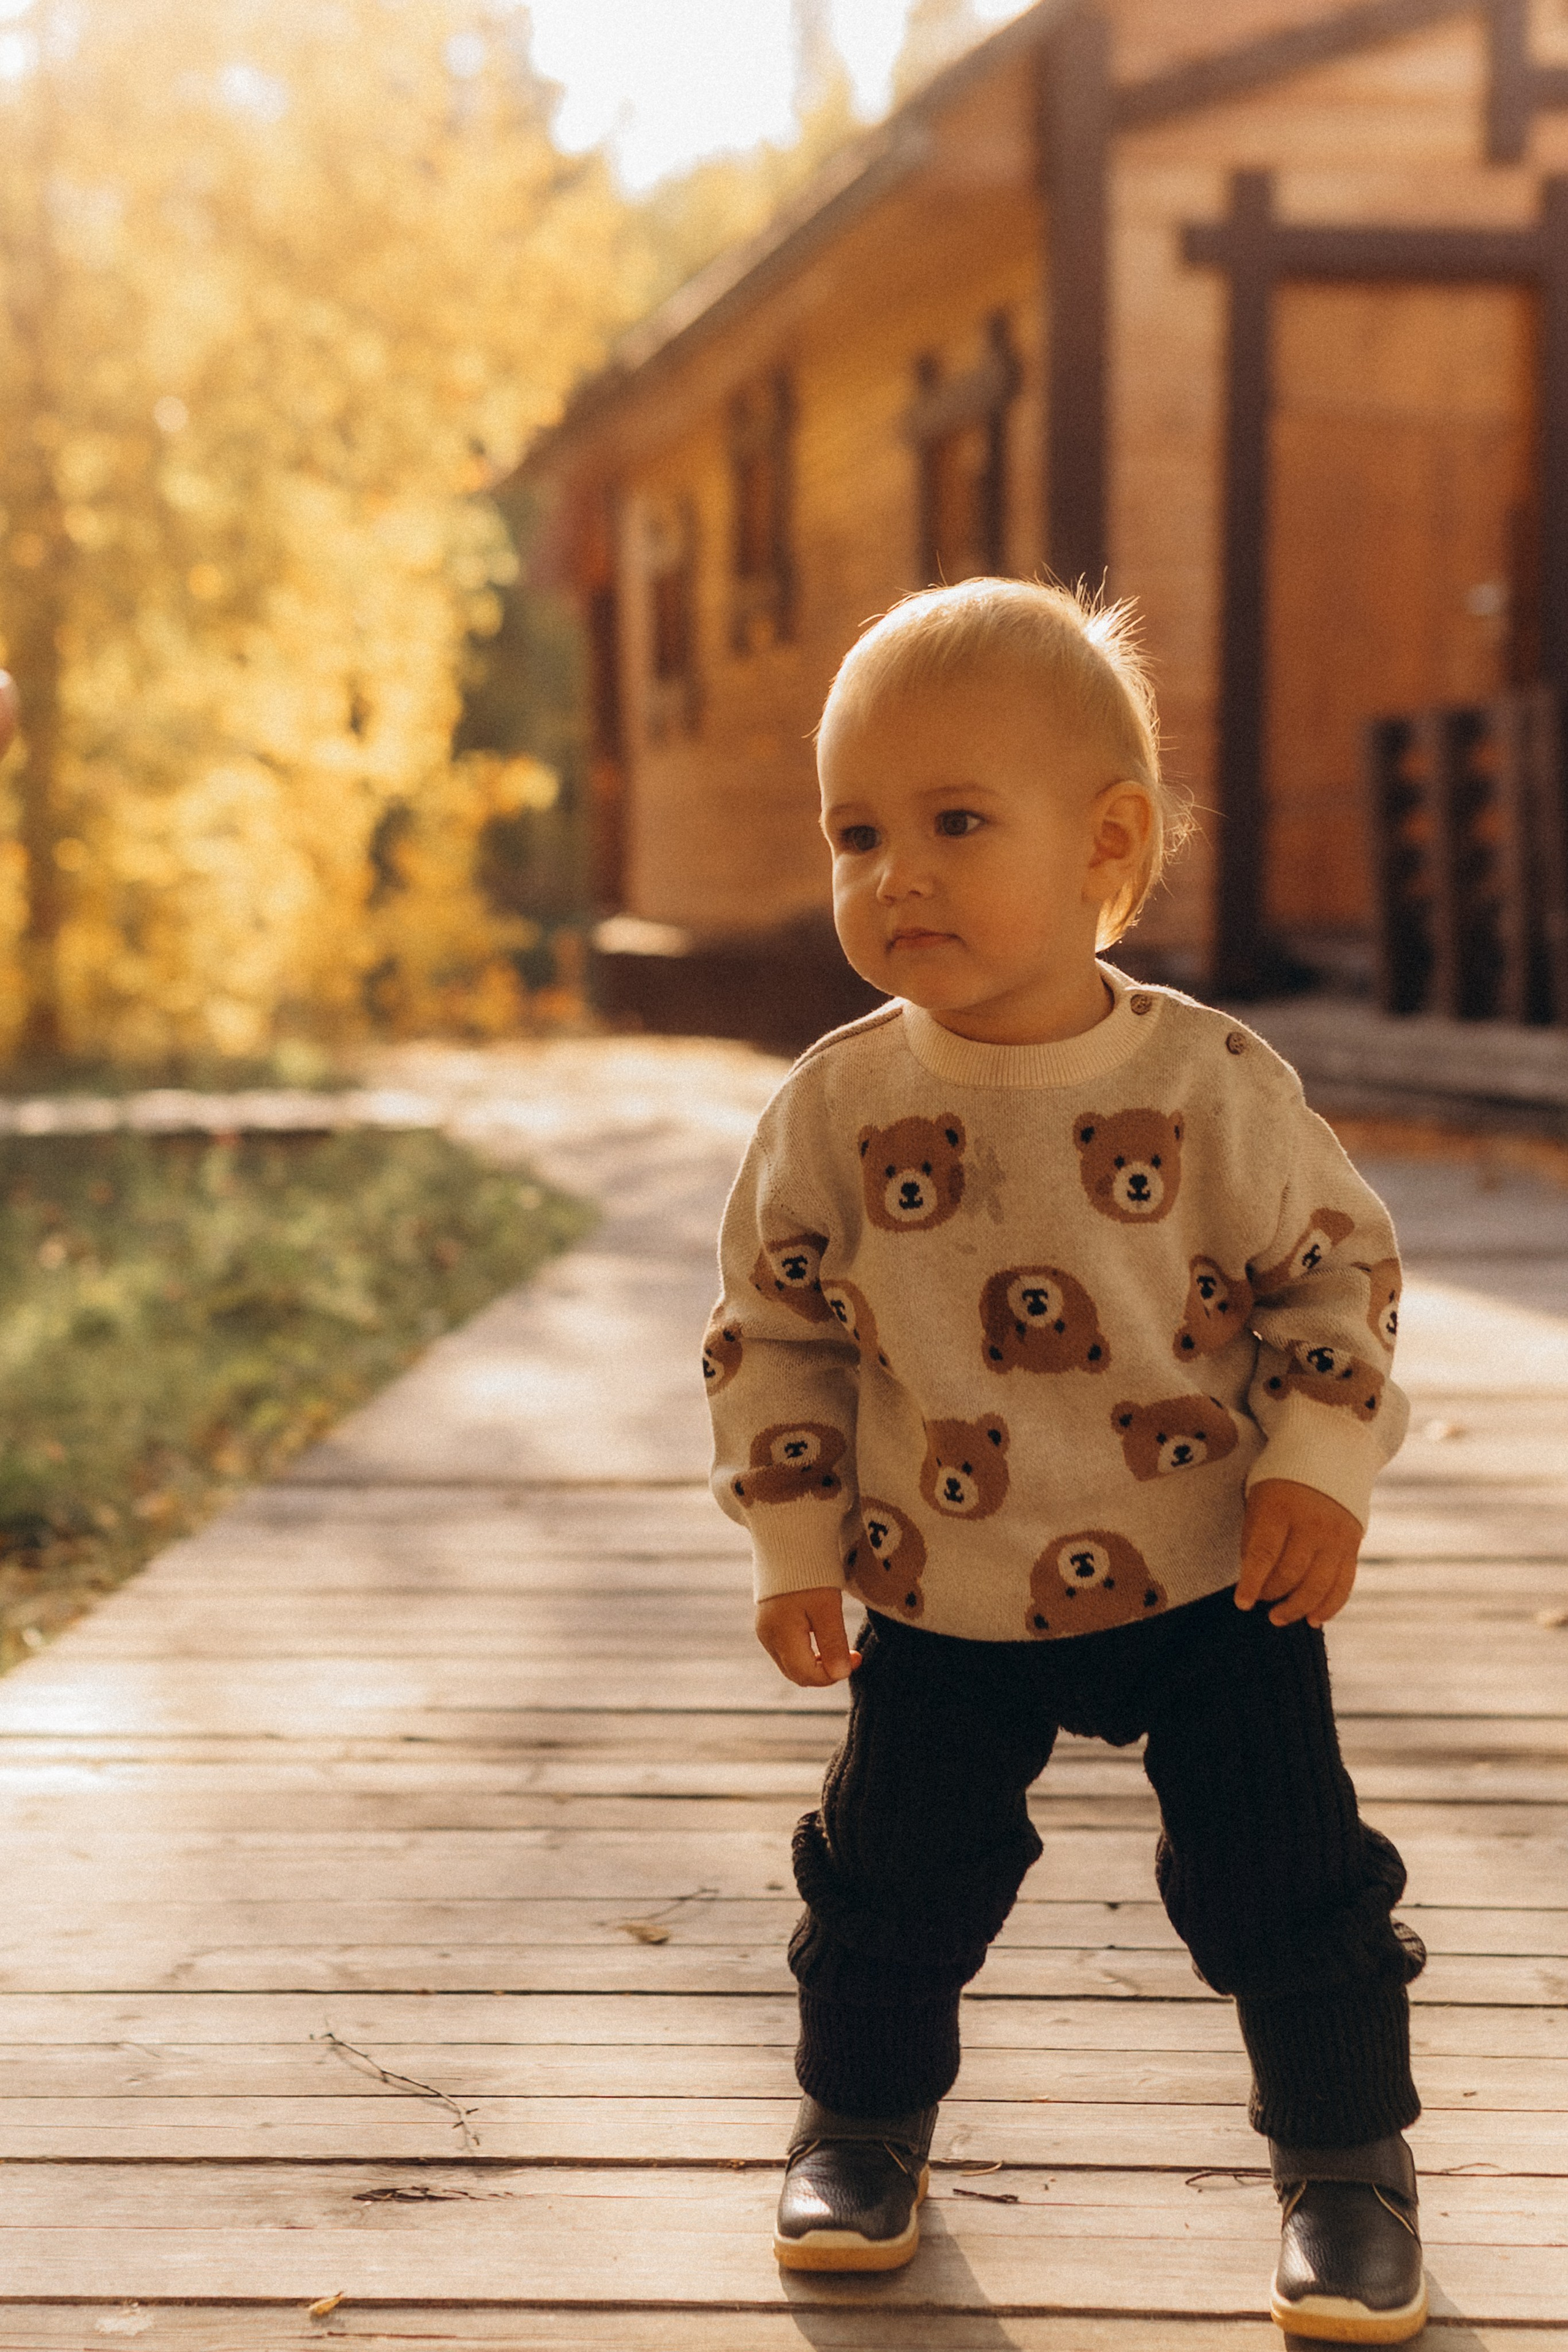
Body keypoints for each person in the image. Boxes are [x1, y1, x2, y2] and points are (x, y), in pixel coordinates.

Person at [703, 579, 1428, 2345]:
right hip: (946, 1585)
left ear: (1107, 846)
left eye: (958, 823)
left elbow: (1334, 1275)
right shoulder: (835, 1109)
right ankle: (862, 2125)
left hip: (1209, 1570)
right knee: (891, 1875)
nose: (900, 874)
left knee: (1287, 1872)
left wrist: (1317, 1467)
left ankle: (1344, 2161)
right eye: (858, 832)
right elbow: (774, 1333)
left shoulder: (1208, 1086)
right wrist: (793, 1547)